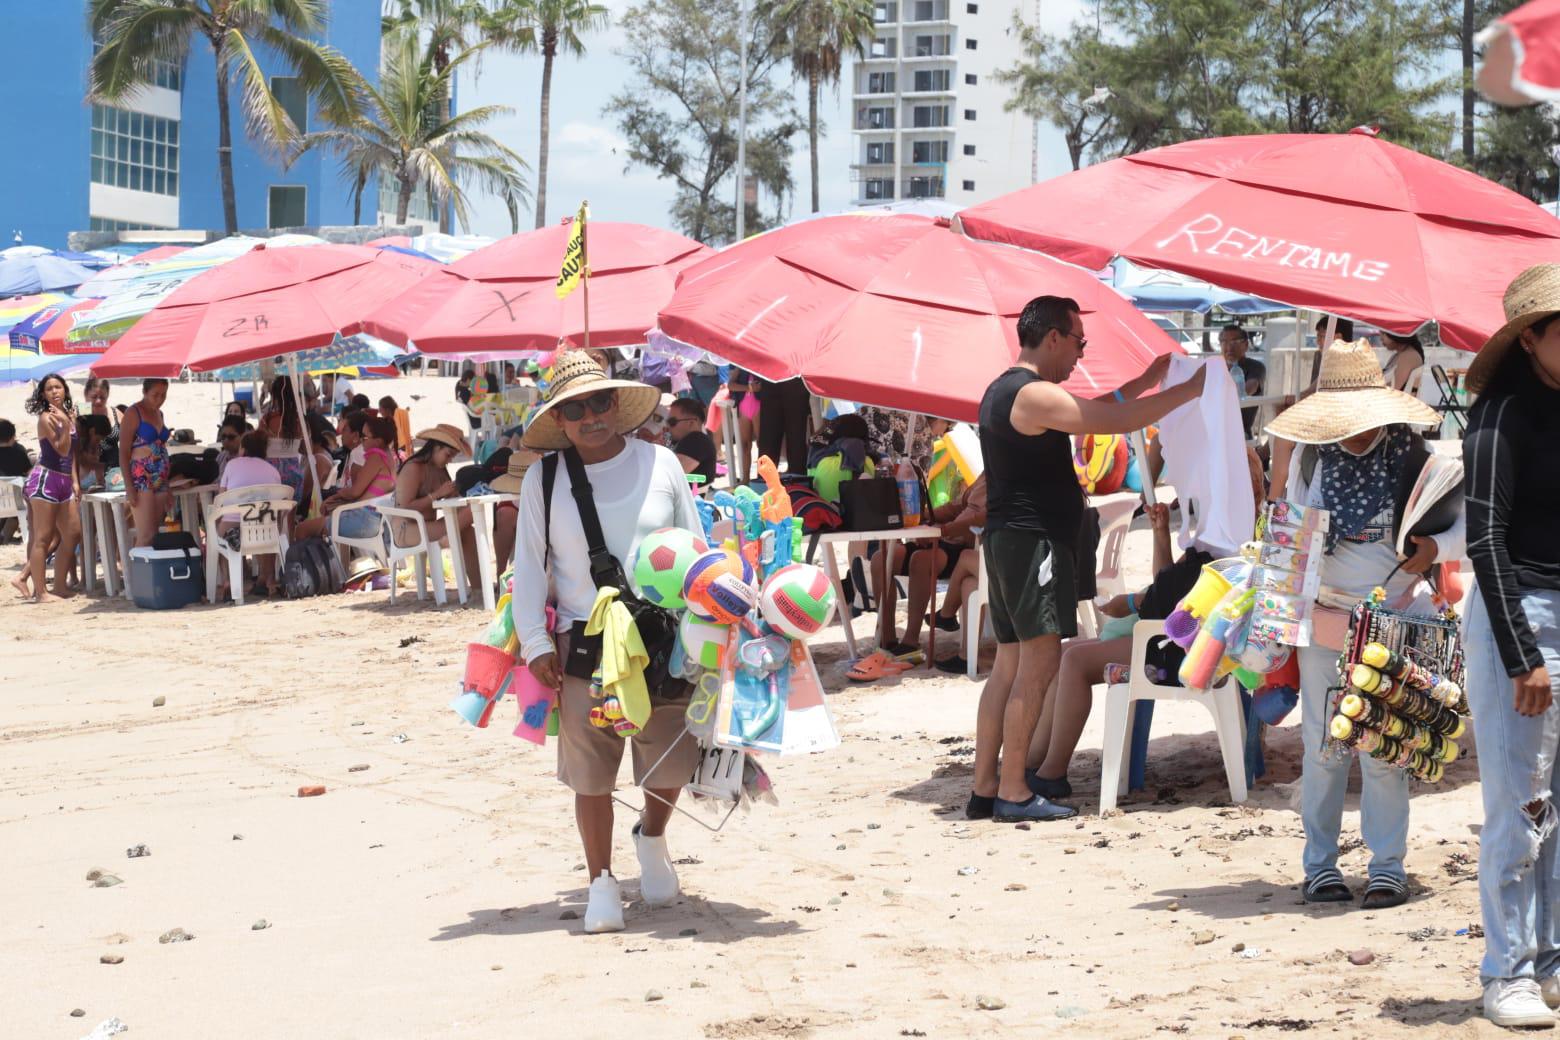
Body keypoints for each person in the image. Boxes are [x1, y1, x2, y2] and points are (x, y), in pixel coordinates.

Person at [970, 295, 1204, 824]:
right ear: (1053, 336)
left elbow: (1096, 408)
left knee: (1008, 666)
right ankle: (1012, 789)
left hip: (1010, 541)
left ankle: (986, 785)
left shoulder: (1007, 390)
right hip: (1033, 546)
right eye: (1079, 341)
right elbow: (1115, 419)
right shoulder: (1031, 395)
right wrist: (1188, 391)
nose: (1080, 353)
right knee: (1039, 663)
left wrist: (1147, 378)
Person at [512, 351, 704, 935]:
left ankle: (652, 837)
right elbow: (527, 566)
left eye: (599, 402)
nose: (591, 416)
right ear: (560, 419)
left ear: (617, 404)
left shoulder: (662, 462)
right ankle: (601, 881)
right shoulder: (543, 480)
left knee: (669, 758)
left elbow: (695, 548)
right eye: (575, 408)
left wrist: (709, 624)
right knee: (591, 774)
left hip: (664, 639)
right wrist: (535, 643)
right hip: (583, 647)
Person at [1264, 339, 1456, 911]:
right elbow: (1290, 537)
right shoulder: (1312, 457)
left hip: (1396, 621)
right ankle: (1319, 867)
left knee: (1382, 748)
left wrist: (1433, 549)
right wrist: (1278, 614)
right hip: (1327, 619)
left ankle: (1387, 870)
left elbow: (1461, 528)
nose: (1347, 434)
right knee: (1324, 747)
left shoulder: (1416, 456)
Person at [1460, 264, 1560, 1028]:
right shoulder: (1501, 414)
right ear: (1531, 339)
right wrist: (1522, 652)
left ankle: (1551, 962)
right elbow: (1484, 541)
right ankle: (1507, 973)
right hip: (1520, 617)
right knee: (1521, 807)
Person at [14, 375, 81, 601]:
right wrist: (64, 423)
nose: (54, 392)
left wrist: (74, 480)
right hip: (45, 480)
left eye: (58, 387)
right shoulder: (47, 418)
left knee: (72, 534)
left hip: (64, 480)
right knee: (42, 537)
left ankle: (59, 586)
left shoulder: (68, 416)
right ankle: (41, 592)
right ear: (43, 394)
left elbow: (71, 454)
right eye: (49, 389)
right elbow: (62, 449)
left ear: (65, 390)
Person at [394, 424, 480, 591]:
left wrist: (455, 494)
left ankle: (479, 588)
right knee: (468, 516)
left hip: (427, 526)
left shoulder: (439, 470)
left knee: (469, 524)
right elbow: (406, 508)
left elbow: (450, 503)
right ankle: (448, 537)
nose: (449, 460)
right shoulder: (414, 467)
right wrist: (437, 494)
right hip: (406, 528)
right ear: (436, 447)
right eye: (448, 455)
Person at [294, 416, 397, 543]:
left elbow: (354, 491)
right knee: (318, 525)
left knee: (301, 530)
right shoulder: (389, 458)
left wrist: (336, 497)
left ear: (378, 441)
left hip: (363, 520)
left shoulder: (376, 457)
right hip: (373, 519)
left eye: (364, 437)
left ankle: (310, 563)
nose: (361, 440)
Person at [215, 430, 284, 597]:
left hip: (233, 534)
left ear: (243, 449)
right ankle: (266, 579)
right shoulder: (273, 471)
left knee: (218, 529)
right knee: (266, 524)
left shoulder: (232, 465)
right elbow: (279, 509)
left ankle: (228, 579)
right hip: (266, 535)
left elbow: (221, 498)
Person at [121, 378, 172, 549]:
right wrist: (129, 487)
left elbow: (162, 447)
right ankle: (137, 576)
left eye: (163, 395)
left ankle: (148, 573)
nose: (159, 399)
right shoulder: (133, 413)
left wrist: (168, 485)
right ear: (144, 392)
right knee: (146, 534)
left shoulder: (160, 413)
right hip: (142, 473)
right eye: (155, 395)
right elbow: (123, 452)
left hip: (161, 475)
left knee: (154, 534)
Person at [757, 375, 812, 473]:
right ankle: (765, 480)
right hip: (776, 377)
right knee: (770, 436)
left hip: (791, 377)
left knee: (795, 435)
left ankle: (797, 480)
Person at [1221, 325, 1265, 436]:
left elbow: (1249, 388)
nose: (1229, 347)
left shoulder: (1255, 366)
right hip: (1214, 428)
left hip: (1239, 432)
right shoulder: (1214, 368)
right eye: (1224, 342)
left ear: (1245, 345)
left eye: (1234, 342)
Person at [667, 397, 717, 490]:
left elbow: (671, 476)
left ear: (691, 423)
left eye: (672, 422)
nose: (667, 427)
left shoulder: (696, 440)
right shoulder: (689, 440)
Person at [76, 414, 110, 493]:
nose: (99, 442)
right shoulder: (77, 444)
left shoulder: (95, 448)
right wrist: (105, 466)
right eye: (98, 439)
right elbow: (85, 463)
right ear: (92, 431)